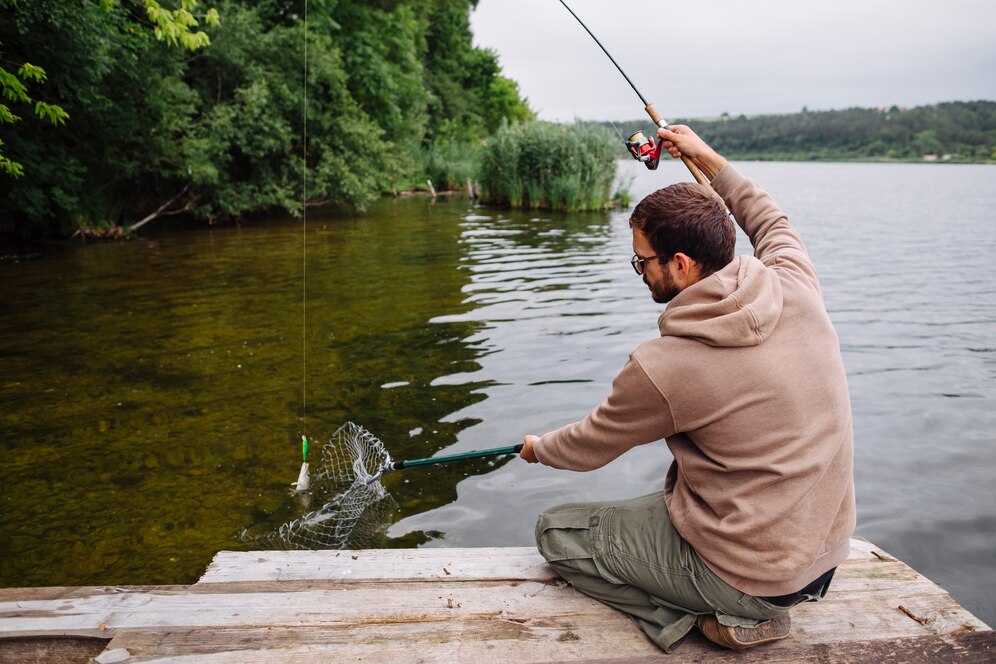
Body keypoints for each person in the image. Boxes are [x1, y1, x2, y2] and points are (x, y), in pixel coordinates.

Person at [519, 125, 855, 652]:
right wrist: (706, 156)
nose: (638, 270)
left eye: (642, 260)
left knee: (557, 533)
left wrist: (538, 449)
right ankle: (744, 597)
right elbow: (767, 217)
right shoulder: (795, 282)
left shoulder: (665, 367)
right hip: (825, 556)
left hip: (753, 576)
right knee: (661, 501)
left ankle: (699, 620)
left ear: (680, 264)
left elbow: (588, 446)